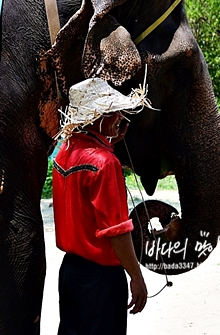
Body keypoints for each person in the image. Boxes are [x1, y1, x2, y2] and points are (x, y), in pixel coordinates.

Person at [53, 78, 149, 335]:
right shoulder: (105, 163)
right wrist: (136, 277)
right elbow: (116, 231)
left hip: (71, 272)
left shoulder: (66, 150)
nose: (119, 117)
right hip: (101, 279)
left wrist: (109, 141)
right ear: (96, 117)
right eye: (112, 112)